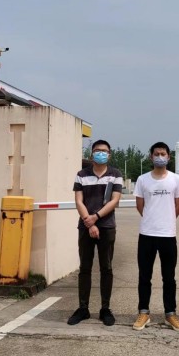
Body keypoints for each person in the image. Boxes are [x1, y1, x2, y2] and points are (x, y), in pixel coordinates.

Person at [132, 142, 179, 332]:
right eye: (156, 154)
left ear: (169, 157)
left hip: (168, 235)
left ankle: (170, 314)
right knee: (144, 276)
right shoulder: (142, 180)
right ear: (151, 157)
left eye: (163, 154)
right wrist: (152, 219)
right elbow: (140, 205)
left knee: (169, 277)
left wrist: (166, 220)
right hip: (147, 234)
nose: (160, 157)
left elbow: (178, 204)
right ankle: (143, 312)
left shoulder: (175, 179)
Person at [69, 139, 123, 326]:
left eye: (104, 151)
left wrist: (96, 217)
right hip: (86, 227)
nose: (101, 153)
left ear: (109, 154)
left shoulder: (115, 174)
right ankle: (83, 308)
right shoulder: (81, 175)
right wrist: (89, 222)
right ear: (91, 154)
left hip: (107, 227)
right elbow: (79, 201)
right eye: (97, 150)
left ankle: (105, 309)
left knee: (106, 268)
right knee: (85, 268)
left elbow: (114, 200)